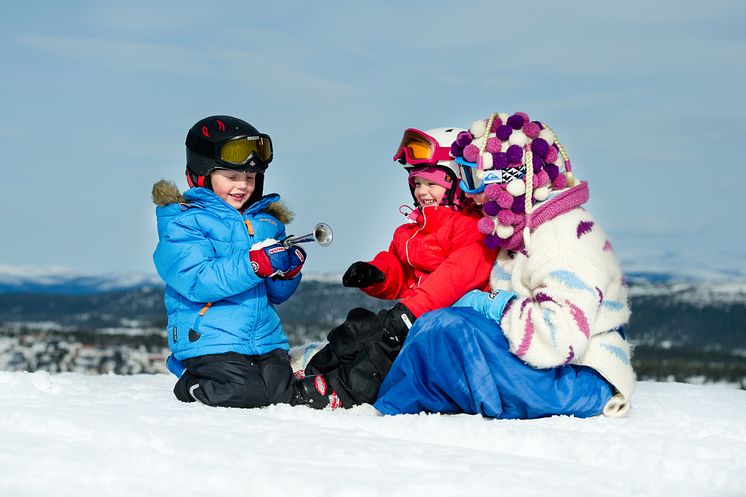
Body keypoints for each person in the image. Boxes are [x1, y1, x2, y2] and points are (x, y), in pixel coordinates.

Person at [374, 112, 635, 419]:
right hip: (548, 366)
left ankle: (386, 405)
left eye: (474, 179)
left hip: (583, 378)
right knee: (438, 332)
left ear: (510, 181)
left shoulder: (563, 239)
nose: (473, 196)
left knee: (446, 330)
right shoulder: (522, 234)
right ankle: (374, 389)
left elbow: (558, 339)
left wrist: (493, 304)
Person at [293, 127, 497, 409]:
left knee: (386, 345)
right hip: (415, 312)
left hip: (449, 321)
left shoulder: (472, 228)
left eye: (432, 184)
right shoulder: (412, 231)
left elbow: (455, 277)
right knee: (361, 326)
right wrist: (376, 274)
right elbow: (399, 271)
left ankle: (341, 392)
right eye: (417, 183)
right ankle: (315, 372)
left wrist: (411, 311)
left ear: (459, 183)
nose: (422, 191)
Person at [152, 115, 306, 408]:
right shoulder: (184, 222)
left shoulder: (266, 224)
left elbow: (276, 295)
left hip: (264, 339)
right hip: (210, 340)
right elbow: (198, 281)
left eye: (250, 178)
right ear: (202, 175)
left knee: (281, 396)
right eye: (231, 177)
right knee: (242, 393)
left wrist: (286, 272)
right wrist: (255, 265)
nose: (242, 186)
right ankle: (189, 380)